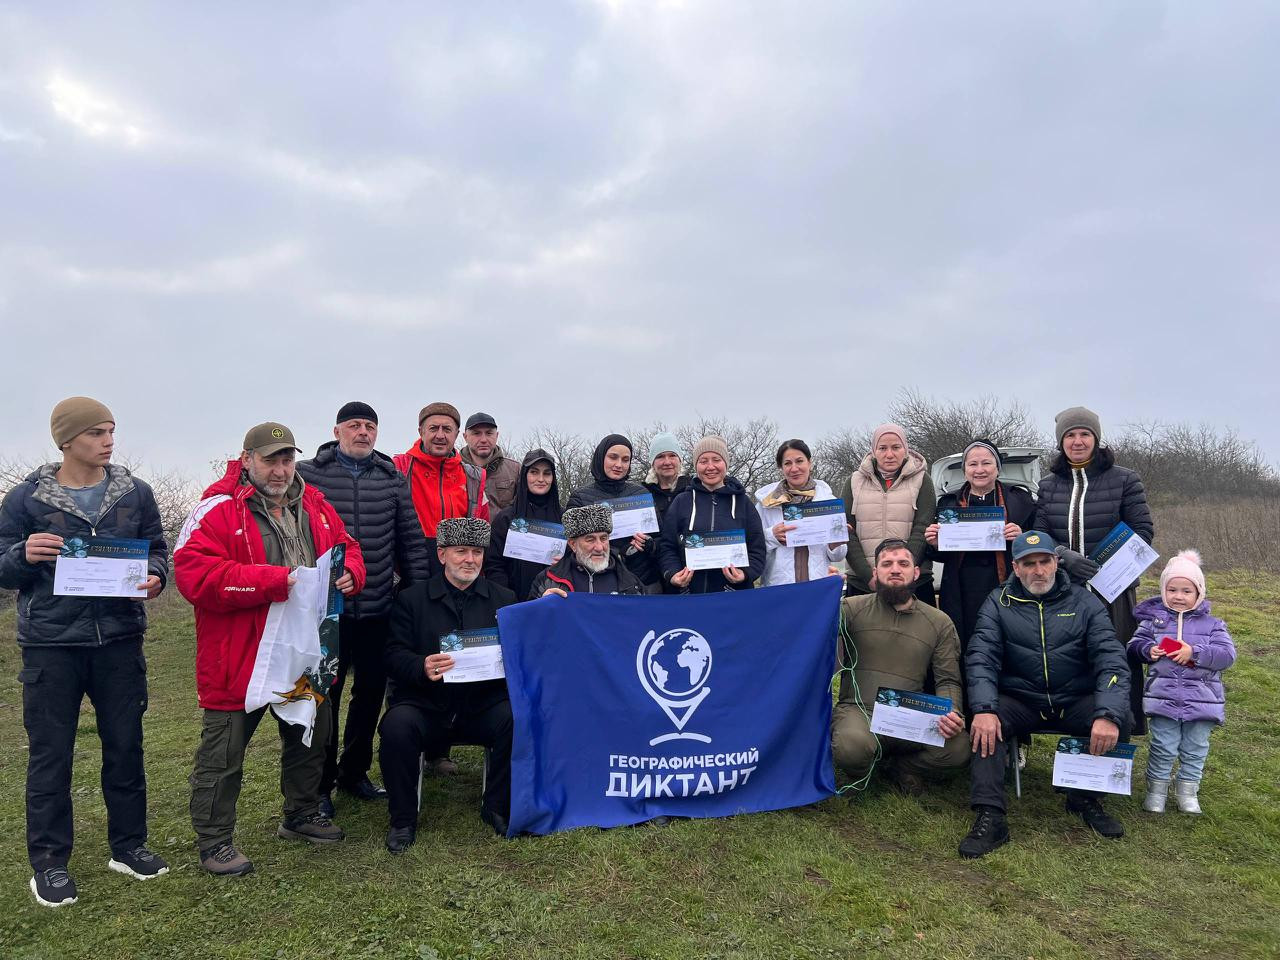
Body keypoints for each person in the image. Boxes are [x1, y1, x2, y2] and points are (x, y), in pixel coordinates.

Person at [175, 422, 366, 877]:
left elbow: (348, 547)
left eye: (286, 460)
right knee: (224, 750)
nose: (280, 470)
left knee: (309, 734)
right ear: (247, 460)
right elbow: (193, 574)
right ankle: (215, 841)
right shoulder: (218, 508)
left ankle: (300, 814)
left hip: (303, 649)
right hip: (241, 653)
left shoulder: (315, 504)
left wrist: (351, 574)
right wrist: (274, 581)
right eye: (270, 460)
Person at [0, 397, 170, 907]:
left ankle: (129, 846)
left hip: (119, 641)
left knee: (126, 746)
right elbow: (1, 565)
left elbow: (157, 548)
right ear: (66, 440)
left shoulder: (135, 493)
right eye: (97, 432)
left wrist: (156, 576)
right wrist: (21, 554)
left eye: (111, 430)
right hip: (51, 646)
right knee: (51, 755)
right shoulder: (26, 499)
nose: (108, 441)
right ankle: (50, 864)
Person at [959, 531, 1132, 858]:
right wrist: (983, 709)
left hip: (1073, 698)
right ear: (1016, 567)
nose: (1038, 571)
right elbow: (981, 659)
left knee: (1119, 715)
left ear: (1056, 562)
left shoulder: (1085, 602)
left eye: (1044, 562)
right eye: (1029, 564)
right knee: (985, 721)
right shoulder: (998, 602)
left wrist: (1107, 714)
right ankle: (990, 815)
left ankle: (1084, 798)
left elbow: (1111, 660)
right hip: (1021, 699)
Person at [296, 402, 432, 814]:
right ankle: (319, 784)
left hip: (376, 607)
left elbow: (410, 541)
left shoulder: (391, 478)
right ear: (336, 431)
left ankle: (354, 772)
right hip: (325, 611)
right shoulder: (307, 474)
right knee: (324, 697)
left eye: (370, 426)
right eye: (354, 425)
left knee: (370, 695)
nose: (363, 432)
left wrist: (417, 594)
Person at [379, 518, 516, 852]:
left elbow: (520, 652)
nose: (470, 559)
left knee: (516, 719)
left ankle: (496, 806)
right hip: (426, 704)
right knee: (396, 726)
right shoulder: (411, 599)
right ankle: (402, 819)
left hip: (482, 704)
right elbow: (393, 654)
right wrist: (421, 665)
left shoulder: (505, 599)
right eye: (461, 551)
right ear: (441, 555)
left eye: (477, 552)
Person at [1034, 406, 1154, 733]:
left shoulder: (1125, 479)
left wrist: (1106, 568)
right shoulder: (1048, 485)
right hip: (1066, 590)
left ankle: (1120, 733)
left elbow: (1142, 532)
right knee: (1073, 662)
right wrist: (1063, 556)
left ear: (1096, 438)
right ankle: (1078, 738)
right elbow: (1039, 534)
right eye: (1070, 435)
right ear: (1061, 441)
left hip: (1113, 593)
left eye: (1084, 434)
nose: (1077, 441)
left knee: (1116, 661)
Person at [831, 540, 969, 795]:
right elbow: (815, 630)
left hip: (910, 715)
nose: (895, 569)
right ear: (876, 573)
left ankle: (902, 766)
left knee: (958, 749)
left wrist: (952, 713)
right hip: (860, 711)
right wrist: (825, 593)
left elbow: (948, 680)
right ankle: (863, 766)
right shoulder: (852, 608)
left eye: (903, 564)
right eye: (887, 564)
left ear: (916, 572)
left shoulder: (939, 622)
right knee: (851, 747)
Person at [1128, 550, 1236, 815]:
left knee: (1195, 747)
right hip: (1163, 698)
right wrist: (1147, 650)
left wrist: (1194, 653)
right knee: (1163, 746)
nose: (1178, 596)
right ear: (1163, 591)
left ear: (1199, 593)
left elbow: (1226, 656)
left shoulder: (1213, 625)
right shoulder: (1153, 623)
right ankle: (1156, 791)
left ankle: (1188, 791)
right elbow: (1133, 646)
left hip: (1203, 700)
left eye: (1186, 591)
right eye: (1172, 590)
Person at [925, 439, 1036, 656]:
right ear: (965, 469)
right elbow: (938, 554)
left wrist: (1021, 536)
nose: (979, 470)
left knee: (1008, 642)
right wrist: (935, 543)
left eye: (986, 463)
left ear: (997, 468)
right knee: (967, 645)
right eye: (973, 464)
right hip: (962, 590)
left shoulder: (1021, 500)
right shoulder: (949, 504)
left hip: (1006, 584)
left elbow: (1038, 541)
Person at [839, 423, 935, 603]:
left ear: (905, 449)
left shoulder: (923, 480)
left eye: (896, 447)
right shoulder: (853, 481)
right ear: (874, 451)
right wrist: (869, 576)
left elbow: (923, 527)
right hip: (862, 584)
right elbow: (846, 532)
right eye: (882, 448)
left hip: (914, 584)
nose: (889, 454)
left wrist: (906, 569)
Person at [658, 436, 766, 594]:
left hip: (733, 595)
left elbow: (757, 548)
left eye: (716, 460)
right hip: (689, 595)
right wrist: (673, 574)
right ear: (696, 466)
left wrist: (745, 574)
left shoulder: (743, 503)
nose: (710, 467)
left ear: (725, 463)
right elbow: (667, 546)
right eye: (703, 461)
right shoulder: (682, 501)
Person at [394, 402, 490, 573]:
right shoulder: (399, 468)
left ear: (456, 434)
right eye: (433, 428)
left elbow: (483, 529)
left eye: (447, 429)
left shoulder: (473, 477)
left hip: (458, 568)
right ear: (421, 432)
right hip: (409, 566)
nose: (440, 435)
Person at [565, 434, 660, 588]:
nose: (619, 465)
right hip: (599, 582)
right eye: (613, 457)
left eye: (625, 460)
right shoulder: (580, 497)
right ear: (601, 458)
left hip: (644, 582)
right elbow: (572, 545)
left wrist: (650, 545)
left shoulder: (641, 494)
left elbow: (661, 539)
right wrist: (617, 553)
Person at [755, 439, 848, 586]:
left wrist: (835, 544)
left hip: (817, 586)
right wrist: (772, 535)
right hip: (778, 587)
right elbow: (753, 548)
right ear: (781, 468)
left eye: (799, 461)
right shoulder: (766, 504)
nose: (794, 468)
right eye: (787, 463)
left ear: (809, 463)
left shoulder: (828, 502)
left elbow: (838, 557)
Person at [484, 449, 564, 601]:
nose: (541, 479)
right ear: (525, 475)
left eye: (547, 473)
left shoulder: (564, 517)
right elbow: (494, 565)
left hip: (557, 600)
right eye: (534, 472)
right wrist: (506, 598)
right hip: (515, 601)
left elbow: (578, 560)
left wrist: (565, 562)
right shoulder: (506, 518)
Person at [529, 504, 647, 598]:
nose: (599, 548)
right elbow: (530, 618)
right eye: (590, 540)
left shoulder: (632, 584)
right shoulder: (548, 580)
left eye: (603, 538)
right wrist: (543, 605)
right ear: (573, 544)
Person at [460, 412, 521, 513]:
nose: (483, 440)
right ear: (465, 437)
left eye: (489, 433)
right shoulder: (453, 470)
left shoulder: (515, 470)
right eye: (476, 433)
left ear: (496, 436)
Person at [642, 432, 690, 528]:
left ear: (680, 460)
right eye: (660, 457)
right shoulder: (643, 494)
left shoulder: (692, 489)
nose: (667, 462)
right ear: (652, 463)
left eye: (672, 455)